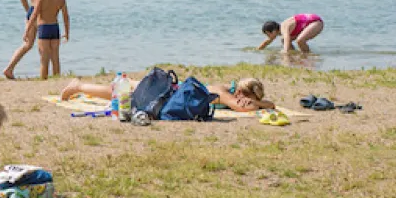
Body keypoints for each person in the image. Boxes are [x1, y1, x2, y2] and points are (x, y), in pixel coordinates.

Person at [58, 76, 274, 113]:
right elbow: (244, 108)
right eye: (244, 96)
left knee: (124, 90)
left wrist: (262, 103)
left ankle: (81, 86)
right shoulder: (223, 92)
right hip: (167, 93)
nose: (243, 100)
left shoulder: (225, 89)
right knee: (118, 94)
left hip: (170, 90)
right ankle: (79, 86)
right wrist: (260, 104)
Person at [2, 0, 54, 79]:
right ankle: (45, 75)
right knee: (45, 45)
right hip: (40, 12)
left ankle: (9, 68)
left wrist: (28, 12)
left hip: (31, 10)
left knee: (28, 44)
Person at [31, 0, 69, 79]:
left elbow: (34, 15)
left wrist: (27, 30)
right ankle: (57, 79)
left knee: (44, 59)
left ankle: (43, 80)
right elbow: (66, 17)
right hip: (55, 28)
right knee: (55, 57)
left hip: (44, 28)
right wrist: (67, 32)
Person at [257, 14, 323, 53]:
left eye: (268, 34)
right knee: (283, 40)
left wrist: (285, 51)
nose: (268, 37)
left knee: (300, 41)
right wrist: (258, 50)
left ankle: (307, 56)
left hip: (315, 22)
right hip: (307, 24)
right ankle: (293, 54)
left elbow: (287, 38)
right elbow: (267, 42)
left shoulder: (283, 27)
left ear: (273, 31)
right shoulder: (278, 30)